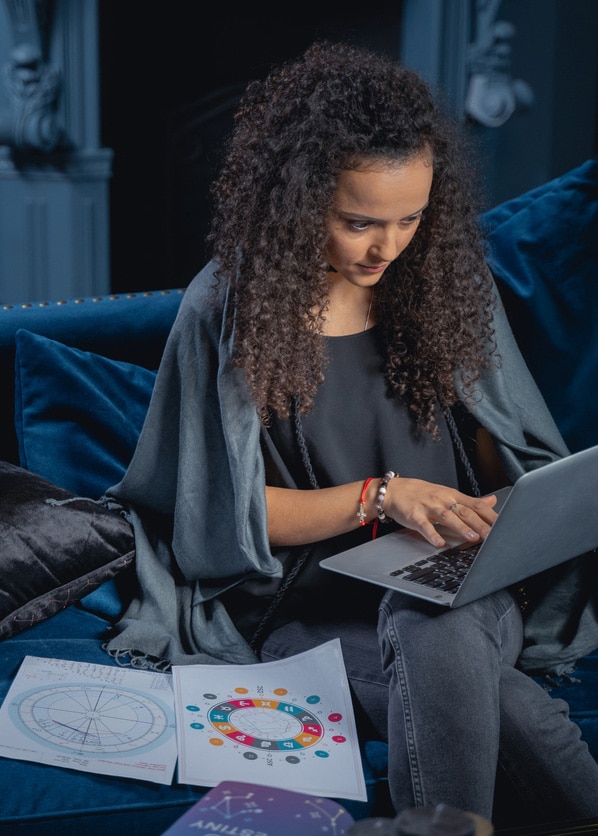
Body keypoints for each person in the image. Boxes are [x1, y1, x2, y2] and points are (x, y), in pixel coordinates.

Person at [104, 42, 598, 826]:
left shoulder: (449, 281)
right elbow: (224, 514)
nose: (388, 247)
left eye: (411, 218)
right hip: (307, 602)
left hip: (460, 580)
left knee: (431, 608)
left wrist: (504, 511)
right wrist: (384, 498)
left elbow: (498, 450)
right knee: (492, 694)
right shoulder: (223, 309)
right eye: (359, 222)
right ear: (298, 201)